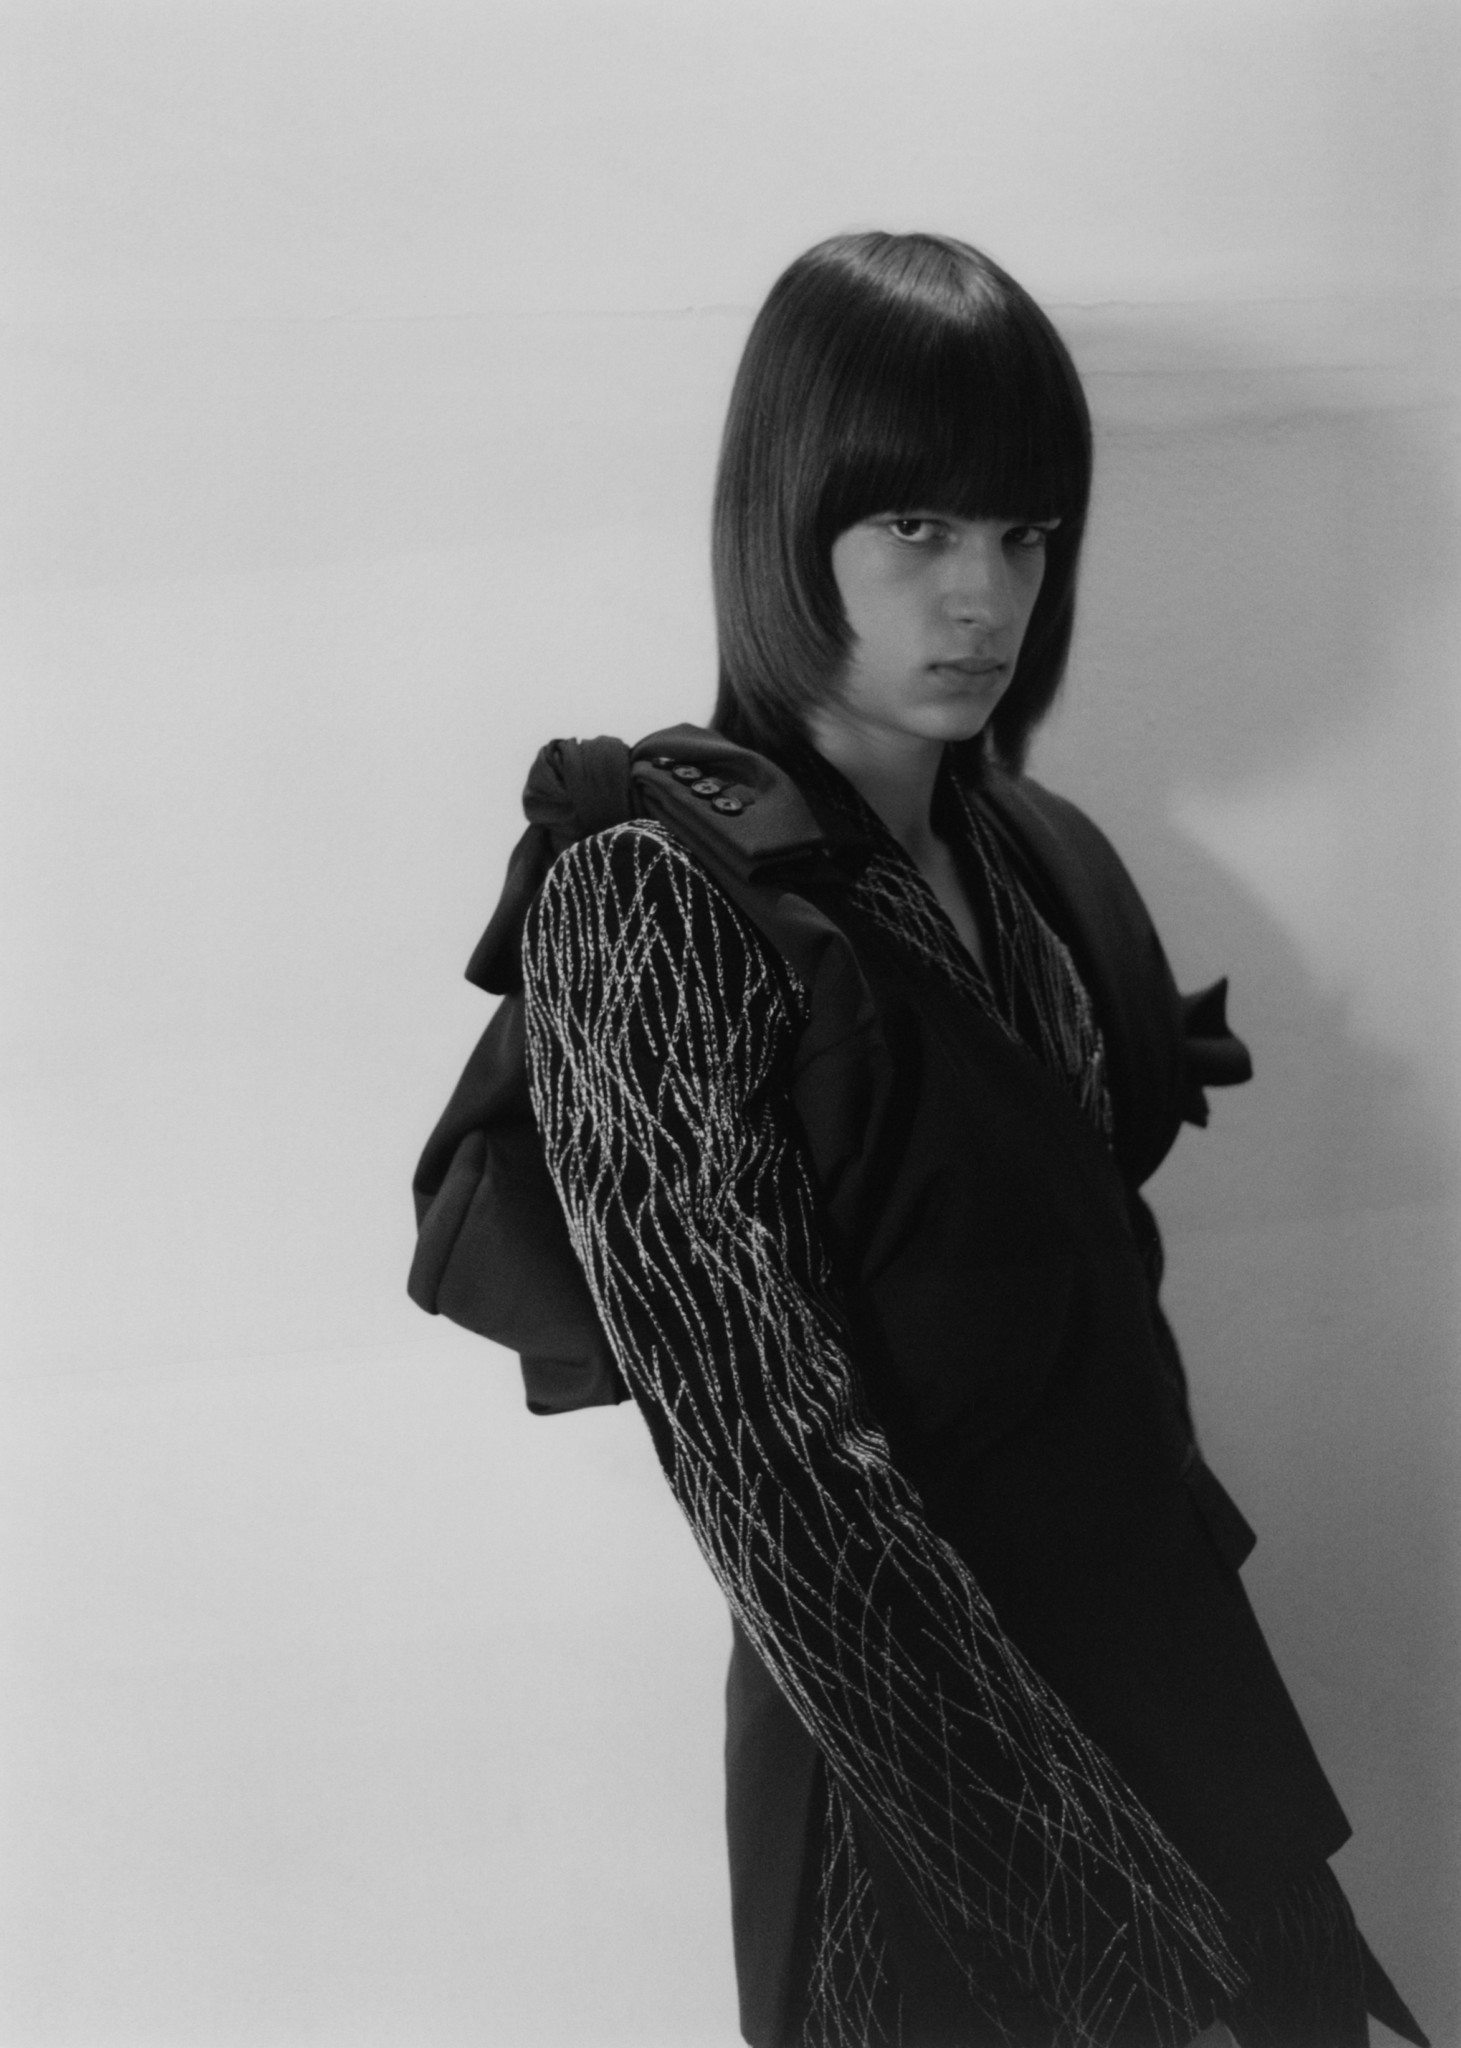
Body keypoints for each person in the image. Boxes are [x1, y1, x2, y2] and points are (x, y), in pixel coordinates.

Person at [507, 234, 1426, 2048]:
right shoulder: (646, 896)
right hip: (913, 1795)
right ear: (788, 524)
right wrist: (1093, 1921)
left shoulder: (1032, 856)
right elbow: (774, 1483)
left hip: (1169, 1685)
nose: (979, 596)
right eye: (913, 527)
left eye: (1023, 534)